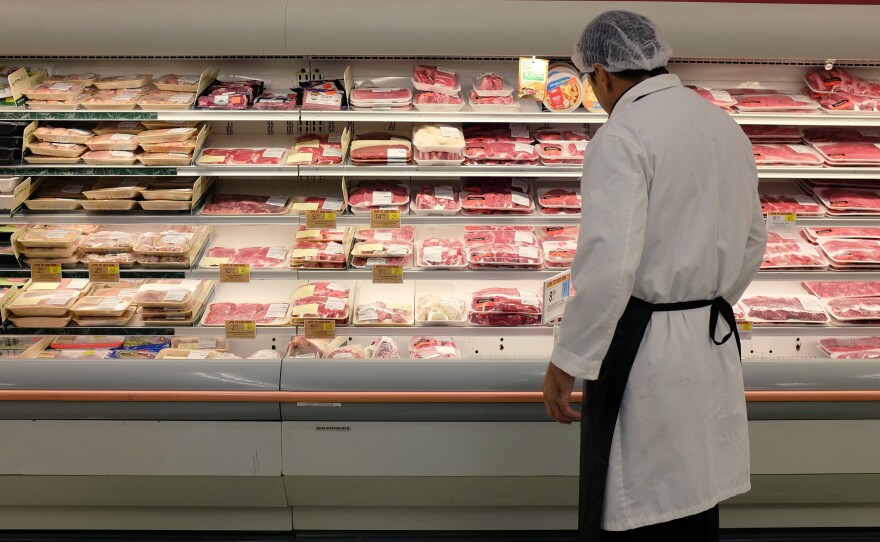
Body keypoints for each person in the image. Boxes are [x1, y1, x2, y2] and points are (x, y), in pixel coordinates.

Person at [541, 10, 767, 542]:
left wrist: (565, 362)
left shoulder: (622, 135)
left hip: (641, 351)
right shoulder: (723, 125)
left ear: (602, 73)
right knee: (695, 505)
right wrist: (699, 301)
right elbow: (755, 239)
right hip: (709, 339)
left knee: (636, 508)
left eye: (591, 83)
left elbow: (607, 264)